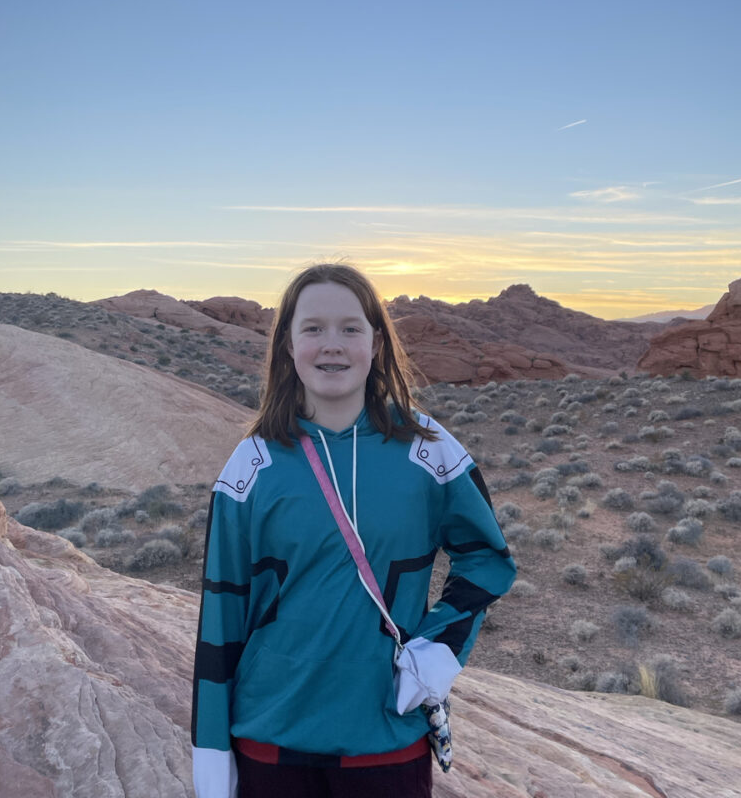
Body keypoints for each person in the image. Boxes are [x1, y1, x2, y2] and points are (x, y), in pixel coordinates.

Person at [191, 263, 516, 798]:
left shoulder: (430, 451)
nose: (331, 345)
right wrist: (211, 755)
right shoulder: (250, 468)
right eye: (312, 329)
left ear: (376, 343)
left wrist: (438, 650)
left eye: (350, 328)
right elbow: (220, 616)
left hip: (385, 741)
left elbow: (488, 557)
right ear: (288, 346)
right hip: (271, 743)